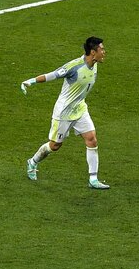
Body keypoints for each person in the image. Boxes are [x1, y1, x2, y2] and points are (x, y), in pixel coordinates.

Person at [21, 36, 110, 190]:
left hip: (80, 109)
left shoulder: (94, 64)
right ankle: (33, 162)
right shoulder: (75, 66)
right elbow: (54, 74)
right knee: (55, 146)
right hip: (64, 112)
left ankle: (93, 179)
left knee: (92, 140)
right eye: (101, 49)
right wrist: (31, 81)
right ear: (92, 52)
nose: (104, 52)